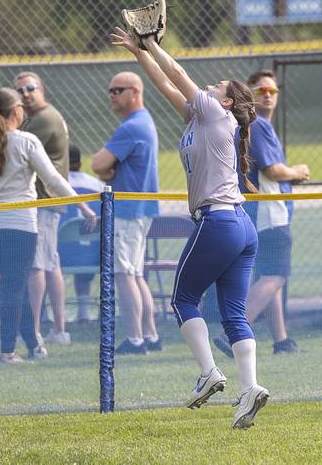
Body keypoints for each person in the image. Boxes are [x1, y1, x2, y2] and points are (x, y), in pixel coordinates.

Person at [111, 27, 268, 429]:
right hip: (240, 226)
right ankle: (249, 388)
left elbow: (178, 72)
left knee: (183, 299)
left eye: (217, 86)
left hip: (218, 221)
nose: (210, 86)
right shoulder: (201, 117)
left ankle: (209, 374)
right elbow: (165, 82)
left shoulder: (217, 113)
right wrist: (141, 50)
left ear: (227, 101)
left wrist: (157, 45)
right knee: (234, 313)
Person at [0, 88, 95, 363]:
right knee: (14, 287)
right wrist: (83, 205)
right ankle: (6, 351)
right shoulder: (27, 141)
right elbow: (53, 179)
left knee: (16, 285)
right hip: (21, 227)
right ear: (16, 112)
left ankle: (33, 345)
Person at [213, 70, 309, 359]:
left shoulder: (245, 125)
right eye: (260, 90)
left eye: (272, 90)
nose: (267, 94)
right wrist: (297, 173)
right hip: (269, 213)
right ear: (250, 95)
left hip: (254, 212)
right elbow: (273, 170)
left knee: (269, 276)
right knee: (276, 276)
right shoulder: (259, 125)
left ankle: (281, 339)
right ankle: (233, 334)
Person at [91, 72, 161, 355]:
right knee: (135, 273)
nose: (112, 95)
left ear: (135, 92)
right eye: (110, 90)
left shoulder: (132, 126)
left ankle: (135, 340)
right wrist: (110, 168)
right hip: (139, 210)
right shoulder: (142, 122)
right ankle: (151, 335)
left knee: (124, 274)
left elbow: (98, 164)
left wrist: (110, 169)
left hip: (129, 212)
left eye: (118, 90)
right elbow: (104, 166)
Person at [15, 72, 72, 346]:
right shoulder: (37, 117)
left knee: (38, 266)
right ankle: (58, 330)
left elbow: (16, 148)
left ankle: (36, 330)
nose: (25, 94)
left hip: (44, 201)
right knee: (49, 264)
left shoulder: (44, 118)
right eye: (20, 91)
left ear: (42, 89)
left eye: (29, 88)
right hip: (46, 201)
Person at [61, 145, 103, 322]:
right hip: (94, 255)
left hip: (62, 254)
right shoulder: (98, 185)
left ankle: (46, 316)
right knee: (84, 249)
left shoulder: (57, 186)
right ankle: (83, 312)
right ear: (80, 162)